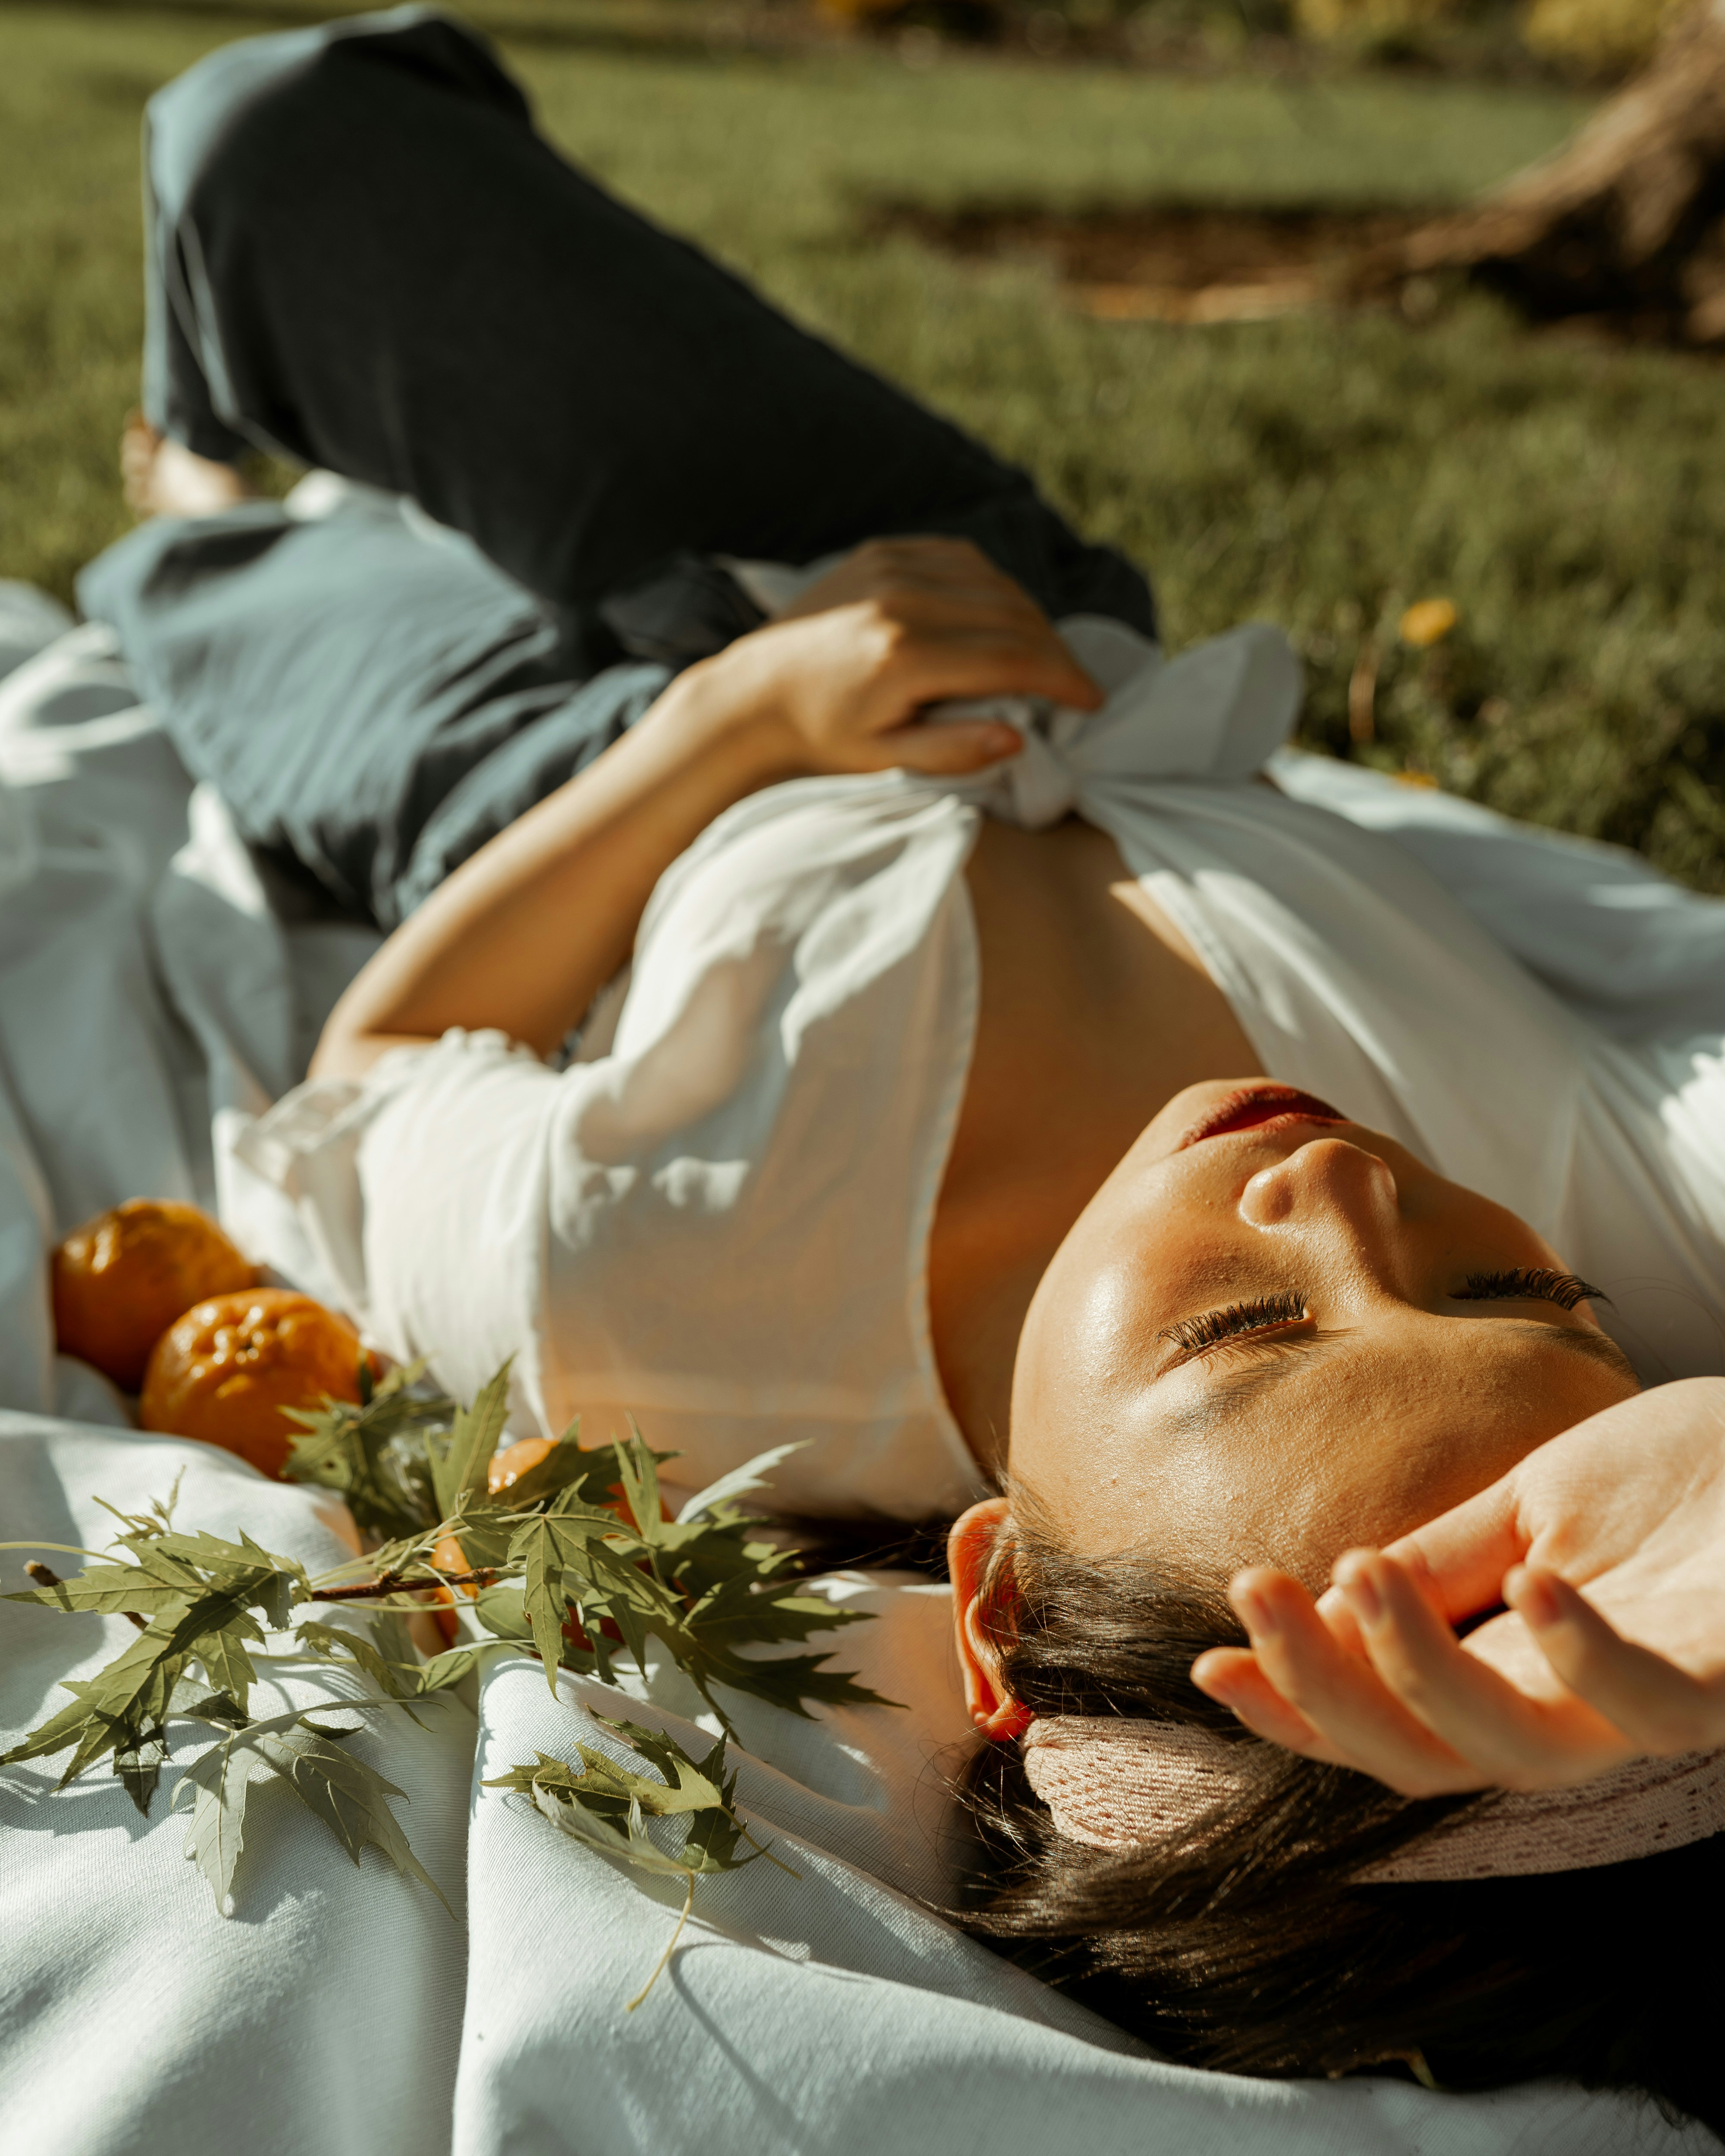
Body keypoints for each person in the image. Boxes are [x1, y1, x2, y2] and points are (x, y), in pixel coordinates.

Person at [85, 5, 1725, 2128]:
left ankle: (207, 499)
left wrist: (732, 729)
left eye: (1244, 1327)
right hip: (958, 595)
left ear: (995, 1585)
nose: (1339, 1194)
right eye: (1510, 1289)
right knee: (270, 139)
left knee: (204, 572)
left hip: (546, 772)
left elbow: (386, 1053)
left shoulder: (666, 1307)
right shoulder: (1646, 1191)